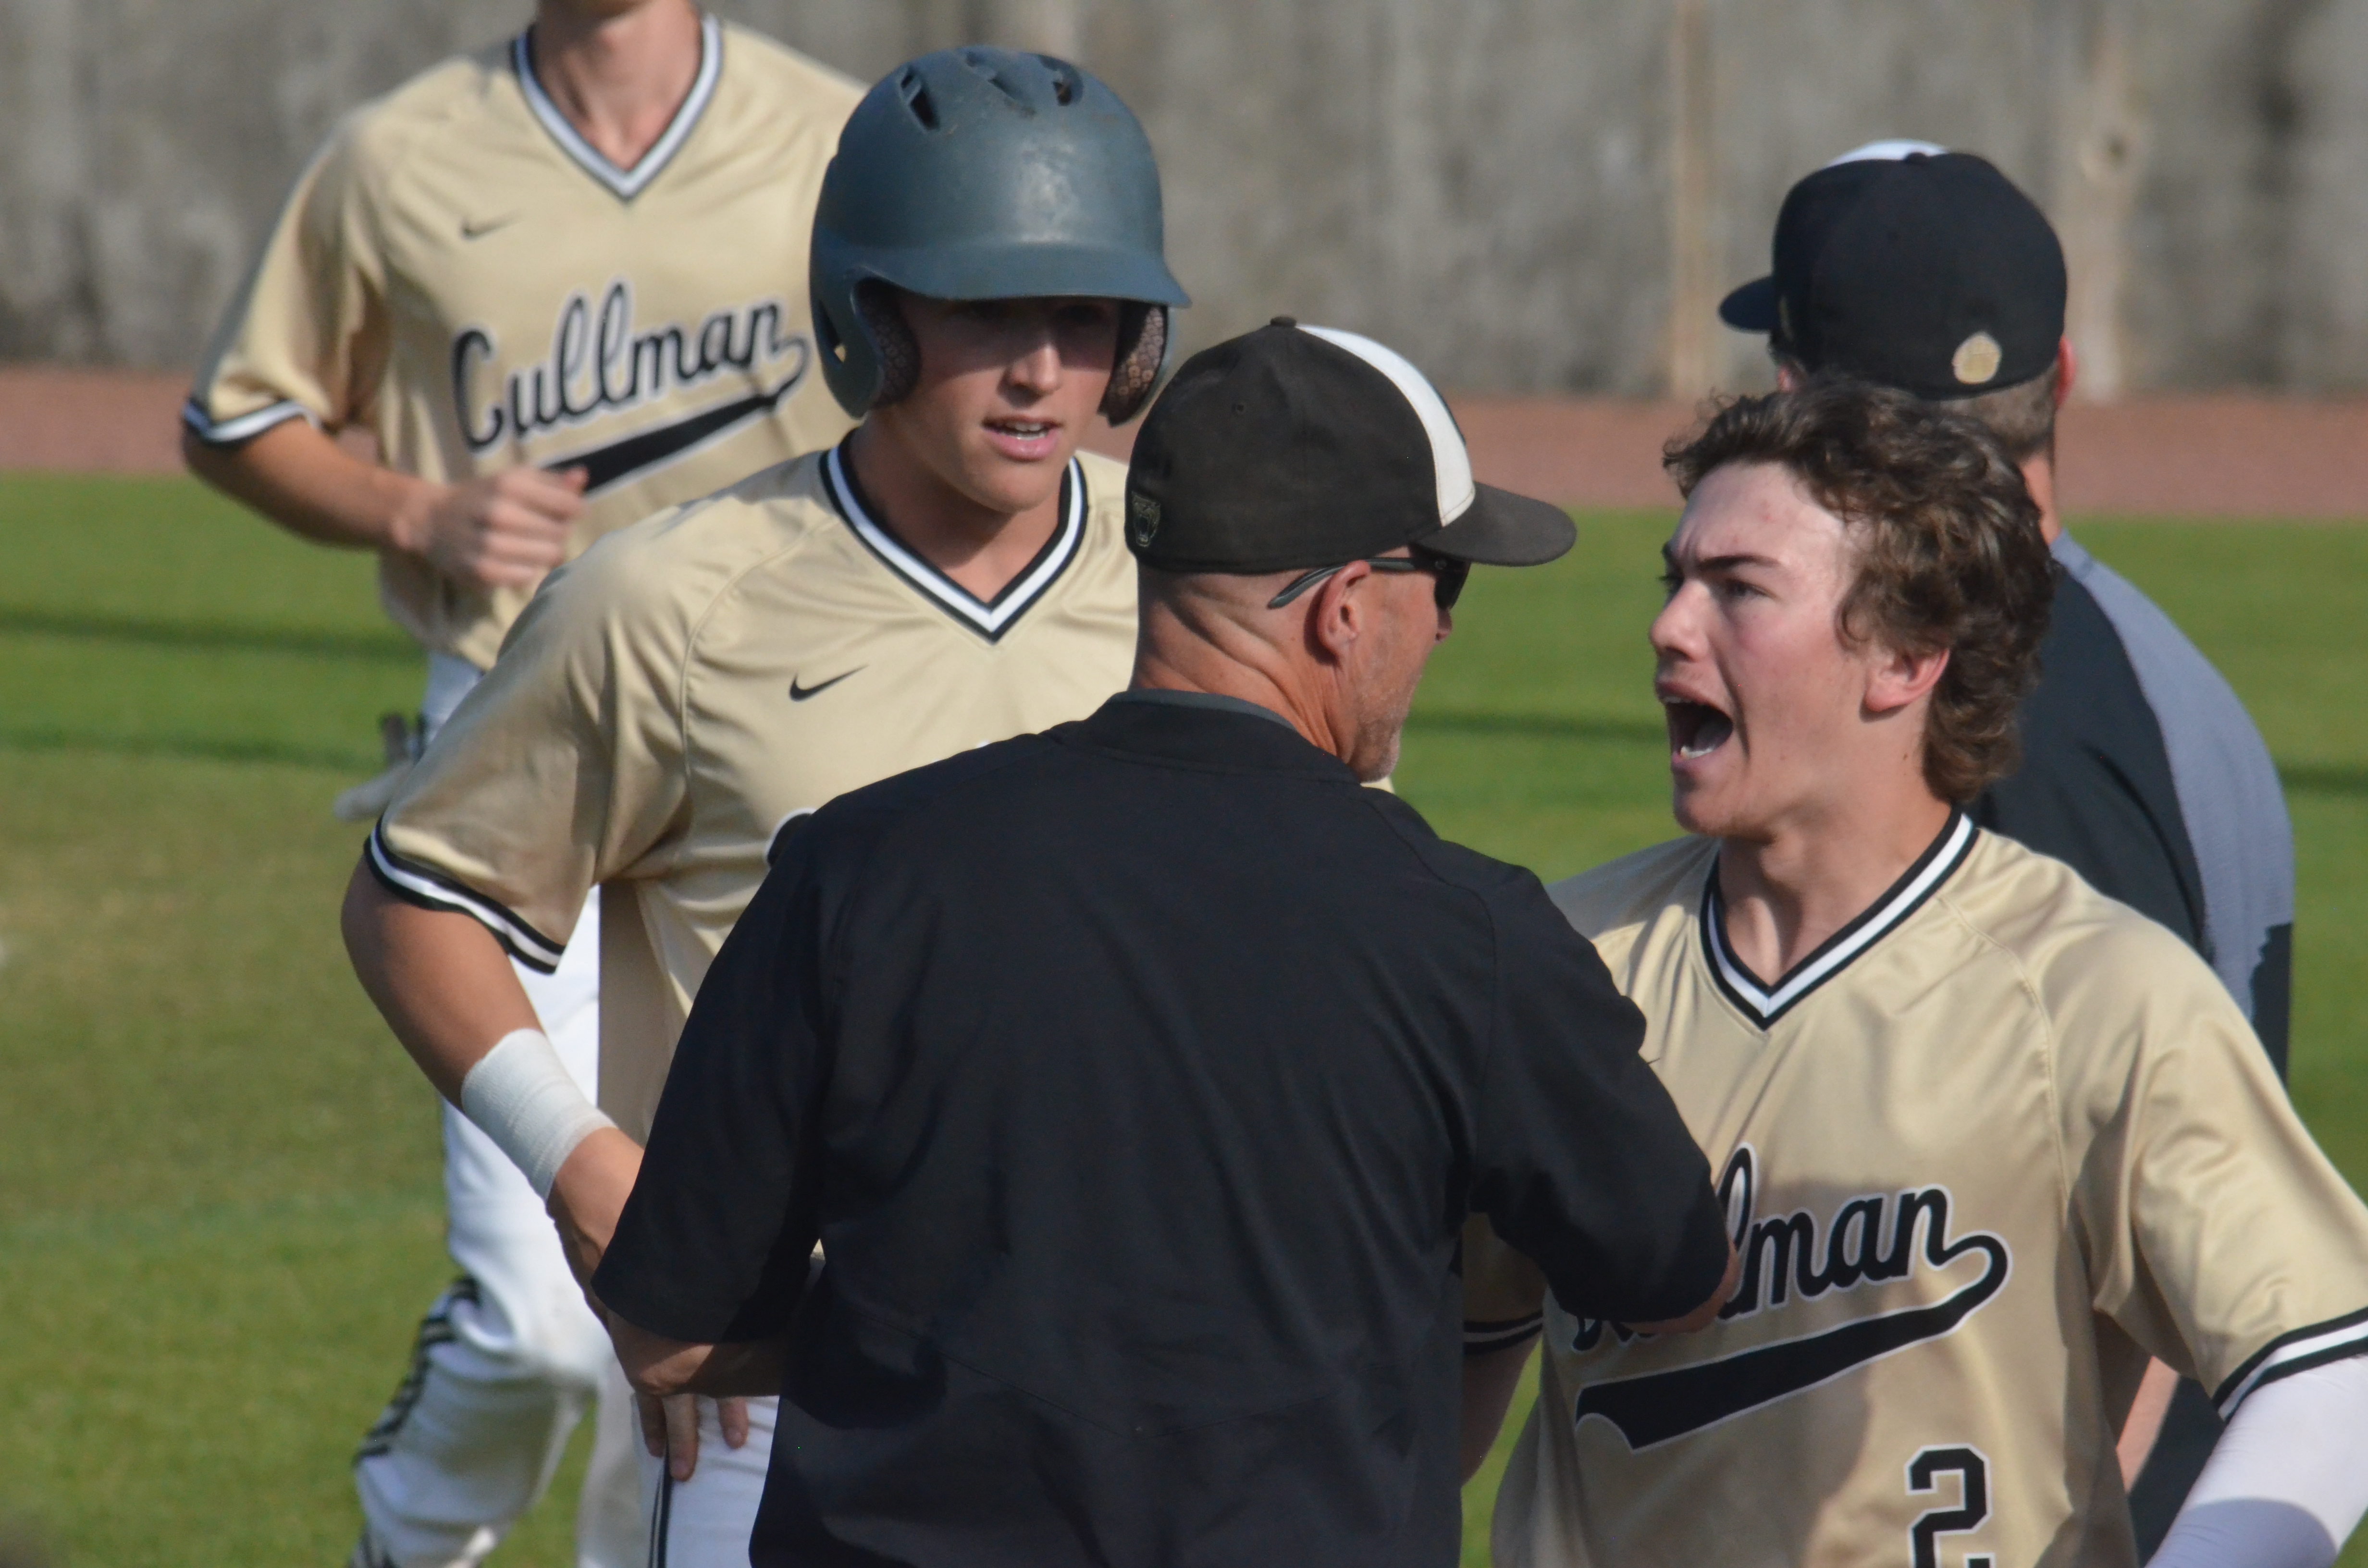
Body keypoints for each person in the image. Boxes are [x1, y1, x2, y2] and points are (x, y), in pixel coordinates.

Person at [588, 319, 1737, 1568]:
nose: (1447, 630)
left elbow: (669, 1335)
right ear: (1346, 608)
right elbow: (1676, 1273)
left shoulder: (858, 868)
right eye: (1444, 585)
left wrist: (941, 1335)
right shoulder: (1466, 932)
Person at [340, 46, 1186, 1567]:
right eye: (987, 311)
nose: (1042, 370)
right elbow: (420, 902)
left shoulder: (1194, 580)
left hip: (1134, 1374)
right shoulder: (669, 602)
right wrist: (585, 1168)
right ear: (872, 316)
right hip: (778, 1398)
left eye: (1085, 318)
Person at [1464, 381, 2368, 1568]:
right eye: (1674, 580)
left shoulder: (2088, 994)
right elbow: (1421, 1376)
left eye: (1737, 589)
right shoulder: (1562, 965)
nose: (1670, 627)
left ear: (1903, 657)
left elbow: (2327, 1370)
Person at [180, 6, 858, 1565]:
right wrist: (415, 510)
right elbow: (240, 414)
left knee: (712, 1337)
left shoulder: (833, 139)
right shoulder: (400, 156)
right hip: (515, 750)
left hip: (771, 755)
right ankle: (410, 1533)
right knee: (542, 1327)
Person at [1714, 142, 2299, 1539]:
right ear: (2065, 378)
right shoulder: (2125, 659)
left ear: (1803, 407)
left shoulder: (1996, 716)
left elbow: (2127, 1211)